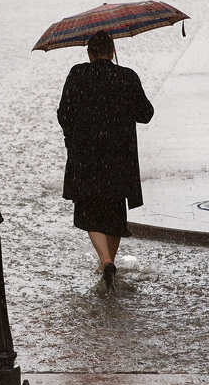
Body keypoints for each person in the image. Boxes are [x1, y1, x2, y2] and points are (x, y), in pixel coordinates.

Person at [57, 30, 154, 292]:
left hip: (87, 157)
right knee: (113, 213)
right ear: (112, 52)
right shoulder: (127, 76)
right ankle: (108, 264)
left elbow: (63, 114)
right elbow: (146, 114)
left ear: (89, 53)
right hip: (119, 159)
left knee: (90, 212)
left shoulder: (78, 74)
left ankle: (106, 261)